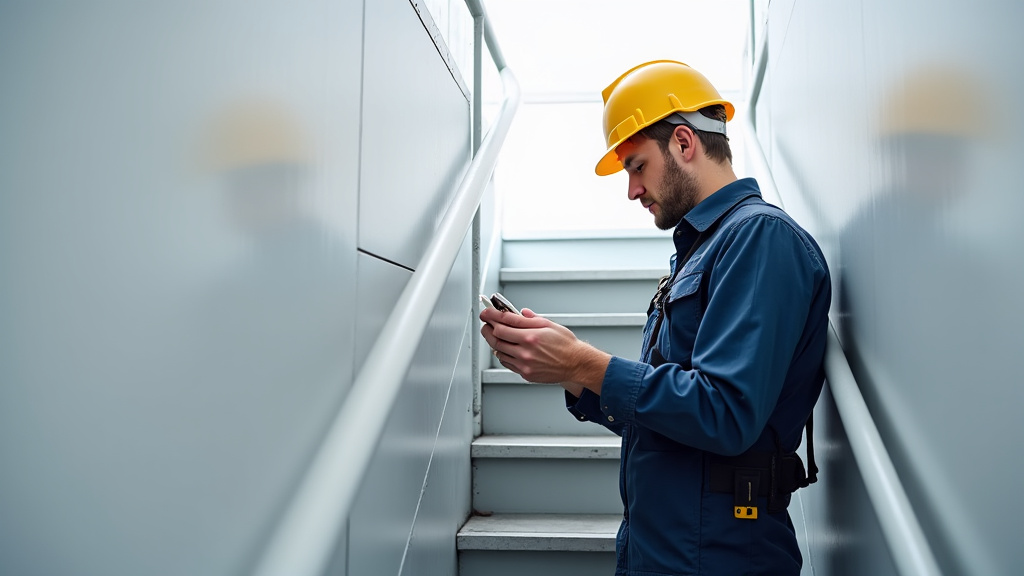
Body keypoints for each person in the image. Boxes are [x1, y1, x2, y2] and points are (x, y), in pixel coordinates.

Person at [479, 60, 832, 575]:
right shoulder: (702, 252)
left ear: (684, 143)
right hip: (665, 546)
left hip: (719, 556)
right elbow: (671, 417)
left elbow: (726, 414)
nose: (632, 190)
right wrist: (573, 374)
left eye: (637, 166)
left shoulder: (760, 239)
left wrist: (585, 364)